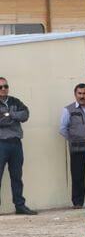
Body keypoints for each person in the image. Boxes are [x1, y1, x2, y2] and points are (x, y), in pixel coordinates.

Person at [59, 83, 85, 208]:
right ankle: (77, 203)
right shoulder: (68, 109)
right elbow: (63, 129)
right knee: (77, 176)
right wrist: (73, 139)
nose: (82, 96)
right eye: (79, 93)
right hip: (77, 149)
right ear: (75, 95)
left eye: (84, 93)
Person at [0, 77, 35, 215]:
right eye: (0, 87)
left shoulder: (15, 101)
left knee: (17, 176)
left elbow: (25, 114)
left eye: (5, 86)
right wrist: (13, 117)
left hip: (15, 143)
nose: (3, 89)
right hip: (1, 144)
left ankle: (20, 206)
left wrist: (9, 114)